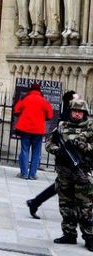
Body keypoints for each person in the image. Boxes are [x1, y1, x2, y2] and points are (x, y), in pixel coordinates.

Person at [46, 99, 93, 251]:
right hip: (64, 174)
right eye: (75, 111)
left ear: (84, 113)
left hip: (82, 174)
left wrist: (84, 146)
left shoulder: (90, 128)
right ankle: (69, 234)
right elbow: (48, 143)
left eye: (80, 112)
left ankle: (89, 237)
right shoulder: (61, 127)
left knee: (85, 208)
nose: (77, 114)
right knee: (66, 206)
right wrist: (57, 150)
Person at [26, 90, 78, 218]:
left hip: (77, 158)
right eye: (76, 99)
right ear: (70, 102)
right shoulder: (67, 117)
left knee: (60, 185)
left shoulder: (77, 115)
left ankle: (35, 202)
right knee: (65, 185)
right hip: (68, 159)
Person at [14, 83, 53, 179]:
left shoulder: (25, 98)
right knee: (36, 152)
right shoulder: (44, 100)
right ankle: (32, 174)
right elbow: (50, 115)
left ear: (30, 90)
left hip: (25, 129)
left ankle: (24, 173)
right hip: (38, 130)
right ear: (40, 90)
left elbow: (16, 110)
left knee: (24, 150)